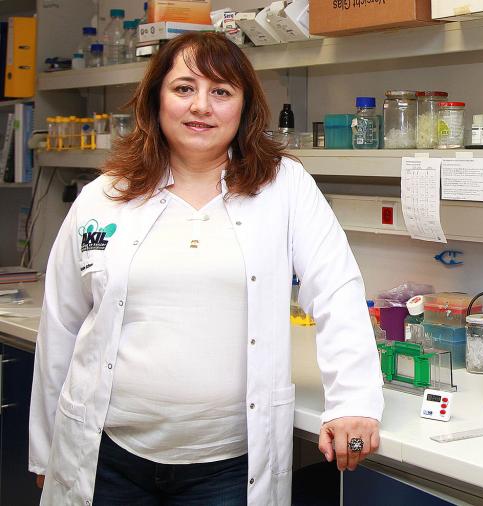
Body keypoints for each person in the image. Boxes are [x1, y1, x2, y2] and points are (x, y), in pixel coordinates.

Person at [28, 32, 384, 505]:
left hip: (230, 467)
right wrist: (45, 451)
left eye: (221, 91)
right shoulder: (105, 196)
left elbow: (337, 290)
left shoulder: (284, 186)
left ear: (244, 107)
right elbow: (61, 325)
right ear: (156, 99)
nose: (201, 106)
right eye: (184, 88)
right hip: (105, 457)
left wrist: (353, 402)